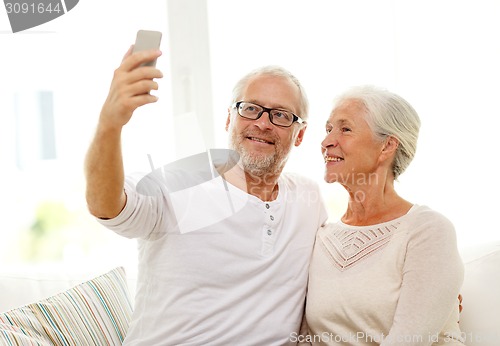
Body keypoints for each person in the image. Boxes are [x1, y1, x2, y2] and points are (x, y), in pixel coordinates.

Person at [84, 46, 327, 345]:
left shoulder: (308, 199)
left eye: (280, 115)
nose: (262, 123)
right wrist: (110, 124)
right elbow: (107, 206)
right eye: (250, 108)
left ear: (299, 135)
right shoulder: (182, 180)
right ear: (229, 119)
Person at [303, 86, 465, 345]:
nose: (326, 142)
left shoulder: (427, 231)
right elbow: (307, 339)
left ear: (387, 146)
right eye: (328, 129)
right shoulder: (322, 237)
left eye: (345, 129)